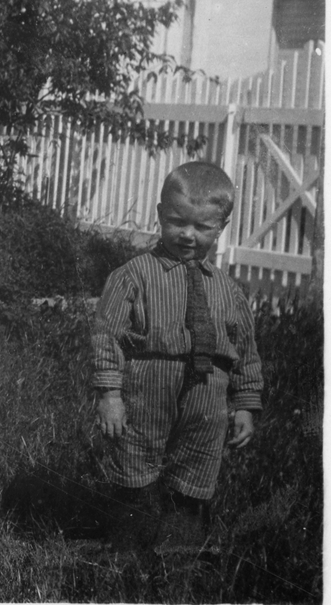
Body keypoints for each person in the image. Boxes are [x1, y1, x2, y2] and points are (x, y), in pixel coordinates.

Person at [93, 161, 263, 552]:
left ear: (221, 228)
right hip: (147, 387)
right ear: (159, 215)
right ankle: (126, 555)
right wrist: (110, 393)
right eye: (176, 222)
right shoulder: (132, 275)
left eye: (202, 227)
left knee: (196, 471)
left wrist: (245, 405)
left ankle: (178, 560)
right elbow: (107, 336)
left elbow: (246, 352)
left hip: (208, 397)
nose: (187, 235)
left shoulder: (228, 290)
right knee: (135, 464)